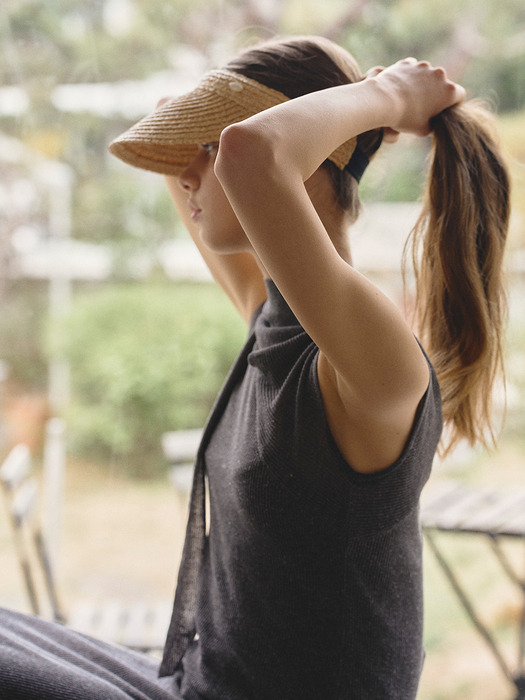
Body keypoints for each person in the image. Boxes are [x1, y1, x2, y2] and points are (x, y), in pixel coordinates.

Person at [0, 34, 509, 700]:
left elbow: (249, 151)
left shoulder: (372, 362)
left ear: (299, 164)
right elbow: (221, 143)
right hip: (201, 685)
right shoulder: (271, 317)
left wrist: (387, 97)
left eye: (204, 148)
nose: (188, 173)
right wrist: (338, 113)